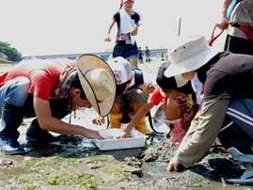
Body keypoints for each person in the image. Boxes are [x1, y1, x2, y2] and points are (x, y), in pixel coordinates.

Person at [163, 36, 253, 171]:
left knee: (221, 114)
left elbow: (207, 127)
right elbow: (201, 115)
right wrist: (181, 152)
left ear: (191, 63)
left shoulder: (218, 75)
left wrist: (182, 160)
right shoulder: (223, 64)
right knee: (216, 110)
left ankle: (250, 163)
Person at [0, 54, 116, 155]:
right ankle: (7, 135)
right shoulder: (42, 76)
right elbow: (45, 122)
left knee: (68, 99)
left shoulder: (78, 74)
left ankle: (36, 133)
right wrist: (85, 131)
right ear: (77, 92)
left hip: (35, 97)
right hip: (7, 97)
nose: (90, 107)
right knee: (23, 85)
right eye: (89, 103)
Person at [121, 62, 199, 145]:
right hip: (178, 123)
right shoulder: (162, 90)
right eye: (163, 90)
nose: (164, 94)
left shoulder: (194, 88)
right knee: (172, 101)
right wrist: (129, 128)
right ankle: (177, 135)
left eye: (168, 91)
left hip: (195, 120)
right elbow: (144, 109)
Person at [93, 57, 155, 134]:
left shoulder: (142, 78)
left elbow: (161, 89)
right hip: (117, 112)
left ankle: (141, 129)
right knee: (116, 97)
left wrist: (148, 90)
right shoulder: (105, 81)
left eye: (121, 86)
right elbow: (102, 97)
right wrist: (101, 114)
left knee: (138, 94)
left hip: (137, 111)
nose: (120, 90)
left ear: (130, 78)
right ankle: (114, 129)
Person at [105, 0, 141, 68]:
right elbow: (110, 25)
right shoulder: (118, 14)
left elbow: (135, 33)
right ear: (122, 2)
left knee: (134, 69)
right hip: (120, 46)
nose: (129, 4)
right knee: (118, 69)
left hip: (131, 45)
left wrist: (135, 30)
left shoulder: (136, 16)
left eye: (131, 2)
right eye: (127, 2)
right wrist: (108, 34)